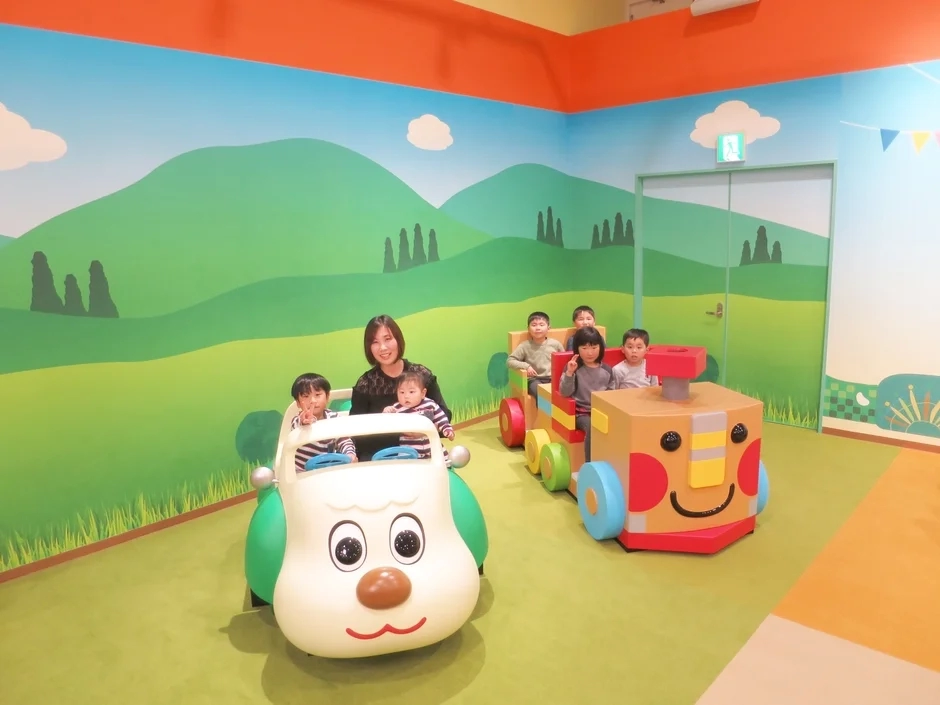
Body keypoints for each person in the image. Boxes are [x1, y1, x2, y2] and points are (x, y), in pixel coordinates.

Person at [349, 314, 451, 461]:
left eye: (388, 339)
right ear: (369, 347)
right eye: (375, 342)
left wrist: (422, 431)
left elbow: (444, 414)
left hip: (423, 453)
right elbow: (356, 428)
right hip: (379, 457)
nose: (383, 348)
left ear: (398, 340)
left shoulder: (422, 375)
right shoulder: (366, 384)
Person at [558, 327, 616, 462]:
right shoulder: (573, 367)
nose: (590, 352)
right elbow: (564, 392)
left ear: (601, 347)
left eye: (594, 347)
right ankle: (590, 464)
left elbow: (611, 393)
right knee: (592, 426)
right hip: (581, 413)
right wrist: (569, 373)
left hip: (601, 411)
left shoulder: (607, 370)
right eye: (584, 348)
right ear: (577, 349)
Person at [289, 372, 357, 472]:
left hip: (328, 469)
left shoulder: (334, 418)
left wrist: (350, 454)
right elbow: (299, 424)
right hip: (301, 472)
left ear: (327, 396)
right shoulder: (297, 420)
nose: (312, 400)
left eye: (317, 395)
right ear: (298, 403)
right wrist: (305, 421)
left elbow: (344, 440)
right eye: (305, 396)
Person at [383, 370, 455, 464]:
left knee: (443, 461)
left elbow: (441, 419)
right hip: (410, 450)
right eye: (402, 392)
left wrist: (447, 429)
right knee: (407, 466)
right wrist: (387, 411)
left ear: (423, 393)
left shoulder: (430, 404)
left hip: (432, 447)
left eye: (411, 392)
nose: (406, 396)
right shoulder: (397, 409)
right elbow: (387, 421)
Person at [507, 311, 564, 397]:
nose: (537, 328)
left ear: (548, 328)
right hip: (534, 379)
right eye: (534, 325)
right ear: (528, 329)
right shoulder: (524, 345)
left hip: (553, 378)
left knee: (563, 393)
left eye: (541, 325)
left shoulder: (555, 344)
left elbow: (564, 360)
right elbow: (510, 361)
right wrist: (526, 366)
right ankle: (545, 410)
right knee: (542, 394)